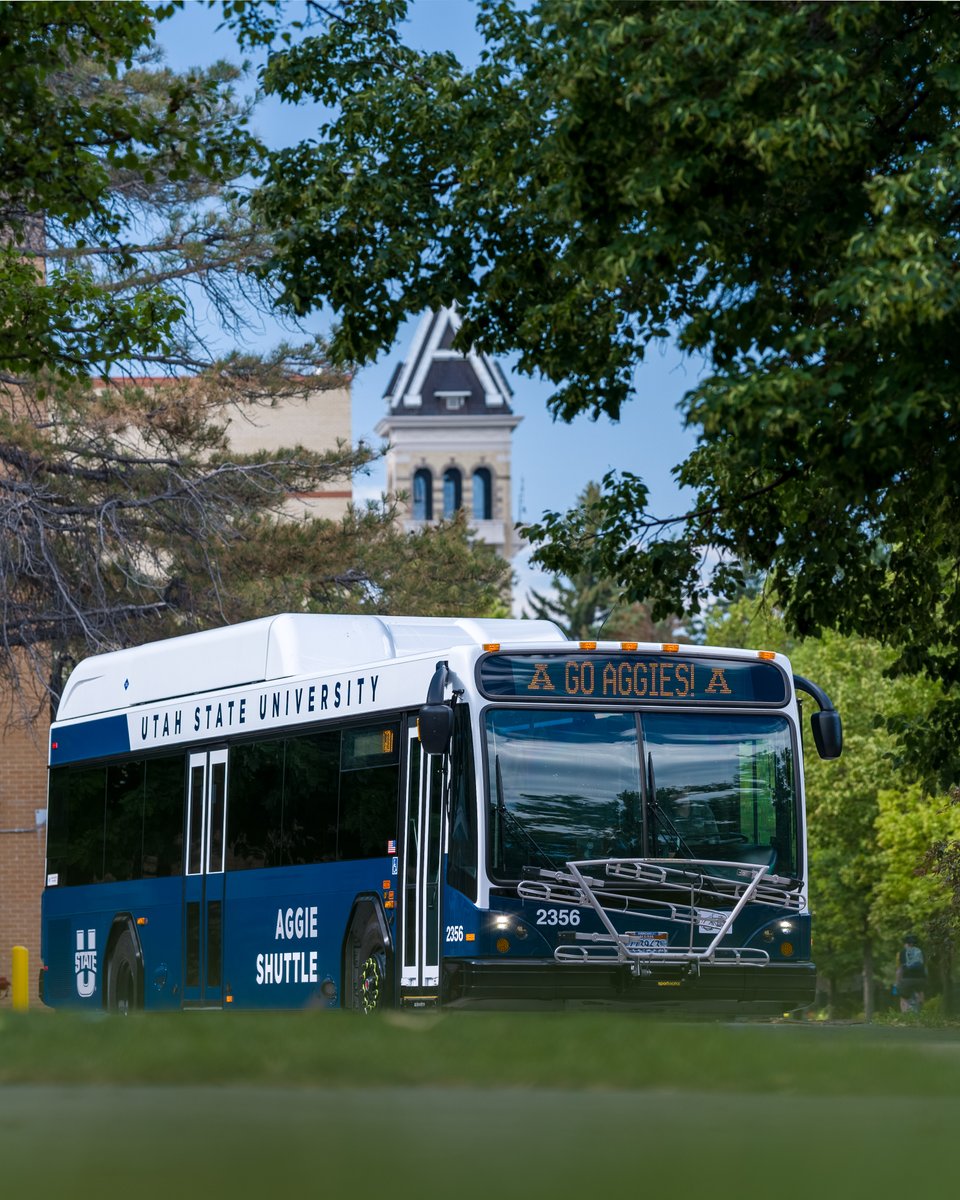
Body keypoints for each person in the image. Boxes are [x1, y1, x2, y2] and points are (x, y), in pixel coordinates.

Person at [894, 934, 927, 1013]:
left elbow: (900, 969)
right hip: (921, 979)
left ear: (906, 943)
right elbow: (925, 967)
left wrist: (897, 982)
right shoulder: (921, 952)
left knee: (903, 997)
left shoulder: (902, 952)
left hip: (906, 979)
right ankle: (921, 1012)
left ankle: (905, 1015)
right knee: (920, 992)